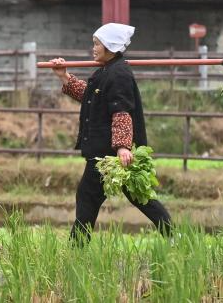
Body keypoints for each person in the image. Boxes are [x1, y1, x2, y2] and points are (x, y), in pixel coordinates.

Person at [49, 23, 171, 243]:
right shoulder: (107, 71)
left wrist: (122, 146)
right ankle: (173, 235)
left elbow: (121, 111)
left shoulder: (119, 74)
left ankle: (77, 247)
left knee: (91, 196)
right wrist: (64, 76)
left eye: (97, 44)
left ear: (110, 46)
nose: (93, 48)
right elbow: (90, 95)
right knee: (136, 196)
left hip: (108, 153)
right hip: (107, 151)